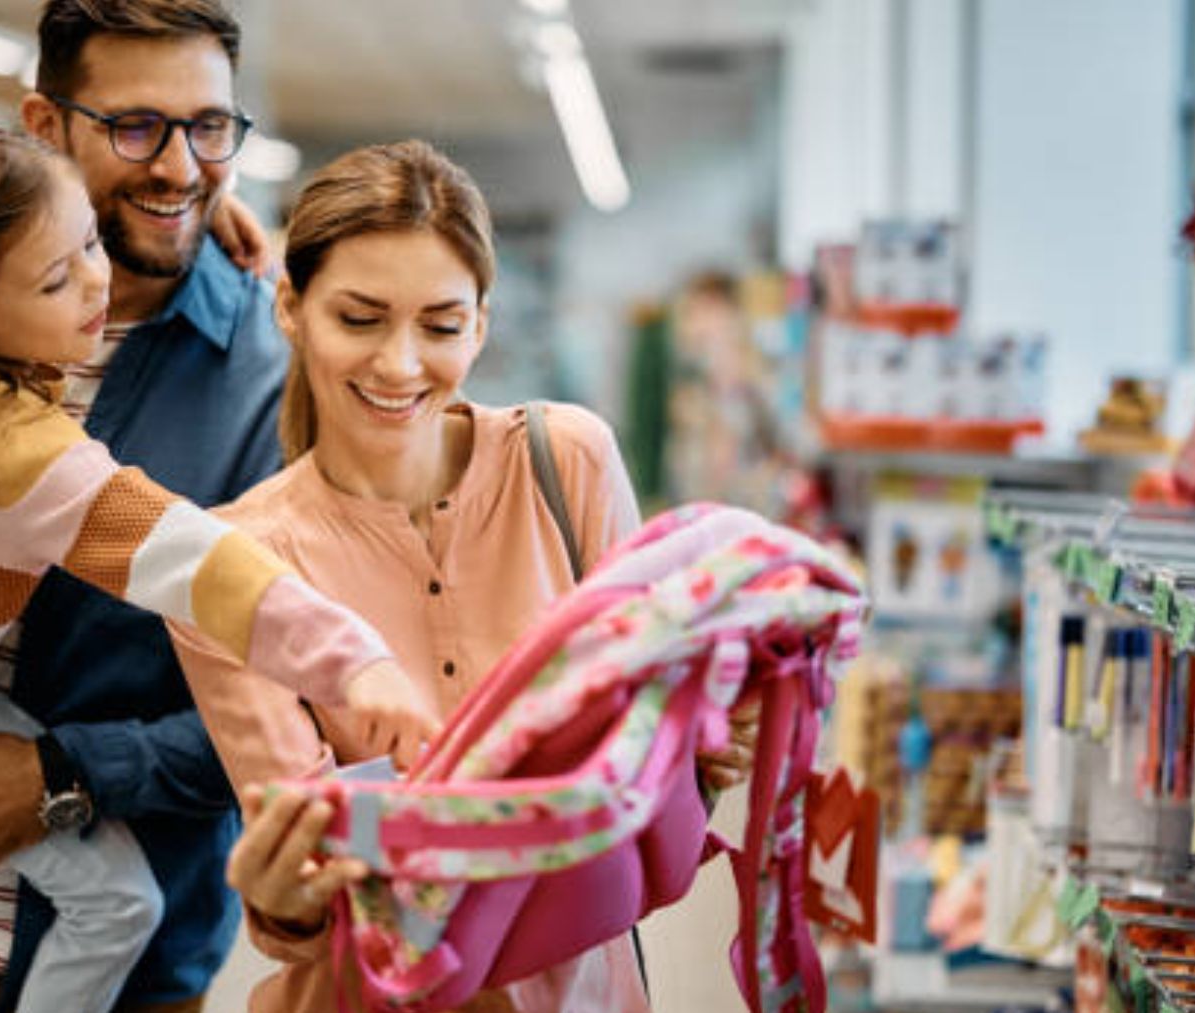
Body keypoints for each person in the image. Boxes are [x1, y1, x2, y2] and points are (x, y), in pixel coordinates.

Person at [0, 119, 438, 1013]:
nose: (98, 280)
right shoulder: (26, 457)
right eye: (58, 275)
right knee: (118, 903)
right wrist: (356, 661)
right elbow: (205, 567)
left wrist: (222, 229)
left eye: (90, 237)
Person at [176, 139, 759, 1012]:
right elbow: (310, 884)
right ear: (291, 307)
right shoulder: (238, 564)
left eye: (441, 326)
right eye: (360, 318)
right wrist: (286, 898)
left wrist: (706, 738)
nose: (401, 364)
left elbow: (657, 761)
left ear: (481, 323)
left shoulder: (567, 464)